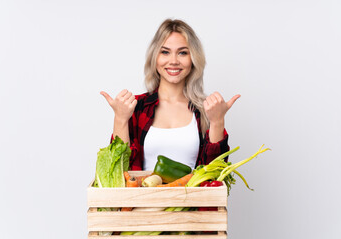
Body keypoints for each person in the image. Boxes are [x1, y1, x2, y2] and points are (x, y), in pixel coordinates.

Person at [100, 19, 240, 171]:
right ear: (155, 57)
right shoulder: (136, 107)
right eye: (165, 52)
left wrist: (217, 121)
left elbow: (215, 174)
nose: (173, 61)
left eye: (182, 53)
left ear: (193, 59)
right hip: (143, 195)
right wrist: (120, 119)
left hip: (194, 195)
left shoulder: (205, 109)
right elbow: (117, 172)